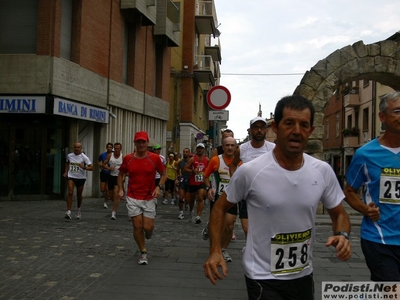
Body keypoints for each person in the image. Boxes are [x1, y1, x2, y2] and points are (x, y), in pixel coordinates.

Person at [204, 95, 351, 299]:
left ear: (311, 131)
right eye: (289, 123)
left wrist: (342, 235)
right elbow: (219, 208)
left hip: (303, 274)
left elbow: (340, 213)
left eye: (304, 125)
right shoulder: (250, 171)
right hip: (262, 275)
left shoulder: (322, 171)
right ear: (276, 128)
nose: (297, 131)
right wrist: (215, 250)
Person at [344, 91, 400, 281]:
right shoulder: (365, 154)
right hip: (379, 239)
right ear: (382, 116)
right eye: (398, 111)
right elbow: (349, 191)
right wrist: (365, 209)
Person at [117, 131, 166, 265]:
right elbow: (121, 174)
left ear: (147, 143)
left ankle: (149, 233)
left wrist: (159, 187)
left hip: (149, 197)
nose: (141, 144)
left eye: (143, 142)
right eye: (138, 141)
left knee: (147, 227)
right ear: (135, 143)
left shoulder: (154, 158)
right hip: (133, 196)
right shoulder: (128, 158)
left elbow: (164, 174)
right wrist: (121, 189)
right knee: (137, 226)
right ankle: (143, 252)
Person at [229, 117, 275, 239]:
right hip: (247, 194)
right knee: (247, 228)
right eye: (255, 127)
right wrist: (235, 180)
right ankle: (251, 248)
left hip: (267, 195)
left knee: (266, 228)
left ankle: (256, 250)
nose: (259, 130)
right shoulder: (243, 149)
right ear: (250, 131)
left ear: (266, 130)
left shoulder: (273, 149)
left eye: (262, 127)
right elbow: (233, 164)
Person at [203, 137, 237, 263]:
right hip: (218, 198)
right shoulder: (216, 160)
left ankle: (223, 249)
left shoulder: (240, 162)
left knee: (229, 225)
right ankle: (214, 250)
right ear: (223, 147)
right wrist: (208, 188)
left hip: (233, 198)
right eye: (227, 145)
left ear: (236, 147)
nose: (229, 148)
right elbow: (205, 176)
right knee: (218, 224)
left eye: (232, 145)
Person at [63, 142, 94, 219]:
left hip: (81, 178)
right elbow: (67, 163)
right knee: (70, 192)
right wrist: (66, 172)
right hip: (71, 176)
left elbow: (92, 168)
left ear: (81, 148)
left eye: (78, 147)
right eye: (75, 147)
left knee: (79, 195)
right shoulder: (69, 156)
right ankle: (68, 211)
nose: (77, 149)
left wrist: (84, 167)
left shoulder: (84, 157)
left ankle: (78, 209)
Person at [184, 143, 209, 224]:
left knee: (201, 197)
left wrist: (207, 174)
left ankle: (198, 216)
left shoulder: (207, 159)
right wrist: (192, 171)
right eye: (198, 148)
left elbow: (211, 168)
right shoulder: (192, 159)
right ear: (196, 149)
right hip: (193, 181)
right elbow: (185, 168)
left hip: (202, 181)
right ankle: (191, 211)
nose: (199, 149)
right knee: (192, 199)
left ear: (204, 149)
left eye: (201, 148)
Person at [103, 142, 123, 220]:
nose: (116, 150)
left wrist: (124, 174)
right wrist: (108, 168)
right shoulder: (110, 155)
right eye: (115, 148)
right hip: (111, 176)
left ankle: (114, 212)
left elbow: (126, 167)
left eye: (118, 148)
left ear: (120, 149)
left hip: (118, 177)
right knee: (111, 195)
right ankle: (115, 201)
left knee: (115, 194)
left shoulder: (123, 157)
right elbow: (103, 165)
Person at [176, 148, 191, 219]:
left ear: (189, 153)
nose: (185, 153)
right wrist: (178, 178)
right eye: (184, 152)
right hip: (183, 180)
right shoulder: (180, 162)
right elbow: (177, 170)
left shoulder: (191, 161)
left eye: (186, 152)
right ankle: (181, 212)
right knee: (181, 197)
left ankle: (187, 203)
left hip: (190, 180)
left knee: (187, 199)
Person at [97, 142, 113, 209]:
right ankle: (107, 195)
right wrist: (100, 165)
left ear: (112, 148)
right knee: (102, 189)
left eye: (110, 147)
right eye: (108, 147)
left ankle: (105, 202)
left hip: (110, 173)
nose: (109, 148)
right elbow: (98, 160)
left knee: (107, 189)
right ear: (106, 148)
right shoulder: (103, 155)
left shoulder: (113, 155)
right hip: (104, 172)